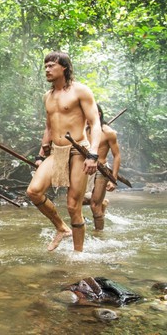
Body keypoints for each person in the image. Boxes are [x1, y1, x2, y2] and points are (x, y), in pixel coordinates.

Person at [26, 51, 101, 252]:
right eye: (46, 66)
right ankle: (61, 228)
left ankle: (78, 254)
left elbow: (95, 123)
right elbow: (49, 128)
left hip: (79, 151)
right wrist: (41, 155)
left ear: (64, 67)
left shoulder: (81, 91)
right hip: (57, 152)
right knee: (33, 191)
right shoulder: (47, 97)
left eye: (51, 66)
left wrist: (93, 153)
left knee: (72, 205)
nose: (47, 70)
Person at [83, 104, 121, 230]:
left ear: (98, 114)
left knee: (94, 206)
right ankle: (102, 203)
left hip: (101, 169)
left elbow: (117, 156)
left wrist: (113, 179)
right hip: (85, 168)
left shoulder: (109, 132)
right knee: (76, 201)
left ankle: (99, 235)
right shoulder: (83, 130)